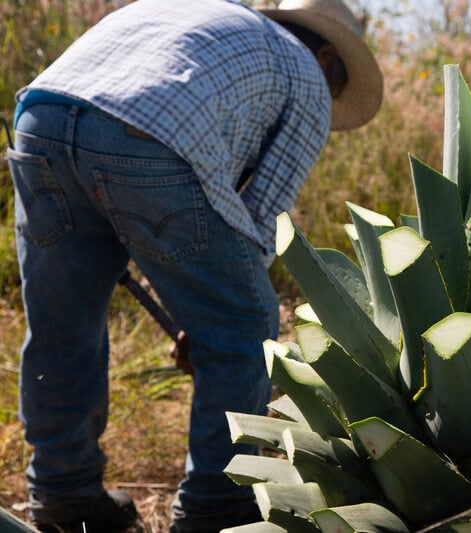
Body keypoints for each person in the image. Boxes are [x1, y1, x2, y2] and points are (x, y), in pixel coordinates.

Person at [7, 0, 382, 530]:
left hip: (41, 120)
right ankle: (214, 508)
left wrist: (200, 310)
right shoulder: (306, 72)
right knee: (247, 326)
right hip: (147, 137)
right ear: (326, 56)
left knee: (61, 326)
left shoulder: (200, 16)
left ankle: (62, 493)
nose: (331, 99)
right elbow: (259, 220)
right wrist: (217, 329)